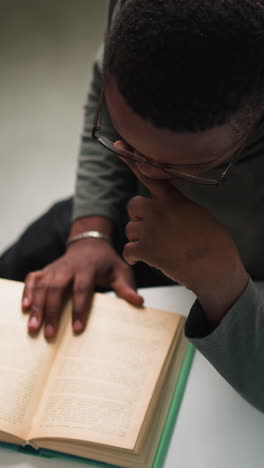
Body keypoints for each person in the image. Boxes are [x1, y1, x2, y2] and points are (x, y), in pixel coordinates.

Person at [1, 0, 264, 412]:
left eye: (183, 165)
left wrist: (222, 284)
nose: (142, 169)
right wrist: (90, 230)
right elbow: (103, 91)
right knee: (25, 266)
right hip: (132, 222)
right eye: (127, 137)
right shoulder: (137, 17)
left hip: (246, 279)